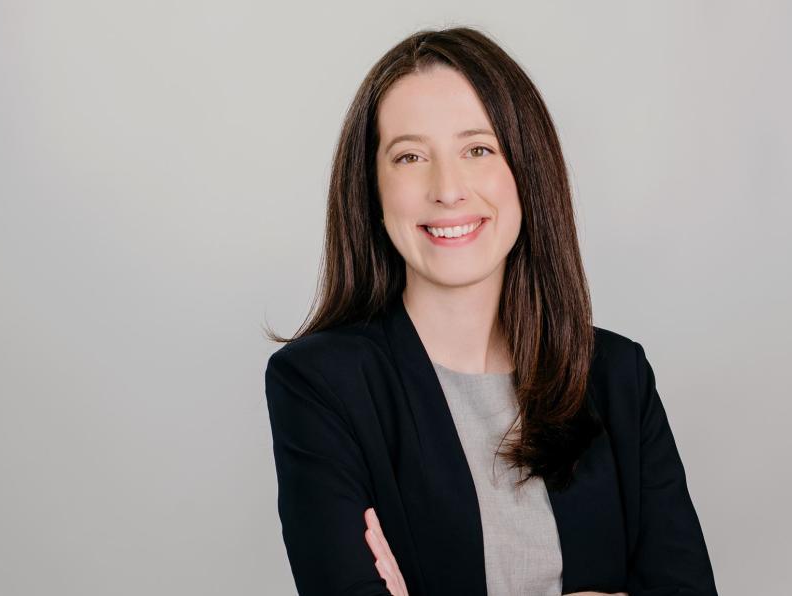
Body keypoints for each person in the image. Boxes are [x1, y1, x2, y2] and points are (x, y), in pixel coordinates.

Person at [263, 26, 718, 596]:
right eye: (409, 156)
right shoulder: (320, 384)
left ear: (526, 172)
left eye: (477, 149)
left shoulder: (618, 376)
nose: (447, 189)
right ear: (373, 192)